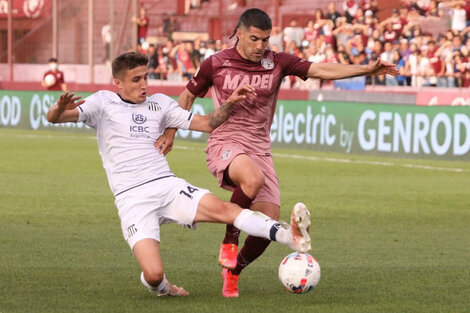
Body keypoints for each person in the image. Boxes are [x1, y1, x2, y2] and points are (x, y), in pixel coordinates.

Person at [154, 8, 398, 298]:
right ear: (239, 34)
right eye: (255, 39)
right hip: (225, 140)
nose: (260, 46)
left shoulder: (277, 62)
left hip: (260, 147)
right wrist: (171, 131)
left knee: (267, 225)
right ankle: (229, 240)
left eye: (266, 40)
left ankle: (232, 271)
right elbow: (187, 95)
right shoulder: (215, 63)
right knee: (252, 180)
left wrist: (366, 69)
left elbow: (321, 69)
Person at [45, 52, 312, 297]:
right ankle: (166, 289)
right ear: (118, 83)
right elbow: (54, 118)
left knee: (223, 210)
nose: (143, 85)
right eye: (136, 80)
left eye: (146, 77)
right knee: (153, 275)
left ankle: (290, 237)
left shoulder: (160, 104)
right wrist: (59, 107)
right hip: (131, 200)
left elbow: (207, 124)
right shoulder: (103, 103)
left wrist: (230, 102)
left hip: (167, 186)